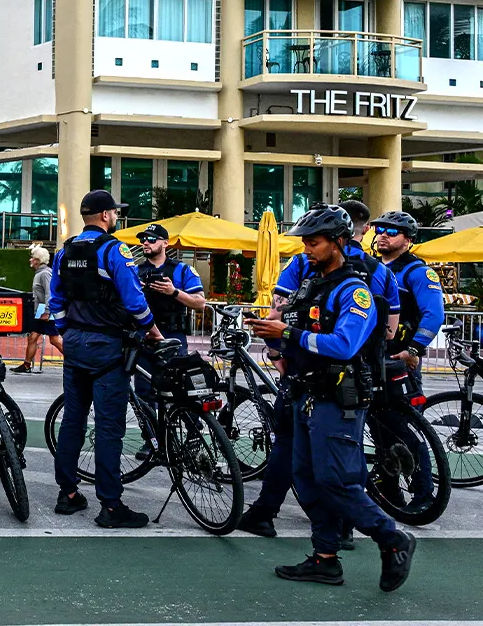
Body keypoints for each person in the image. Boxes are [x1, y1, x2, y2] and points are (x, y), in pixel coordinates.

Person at [246, 204, 416, 591]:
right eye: (305, 242)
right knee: (306, 478)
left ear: (338, 242)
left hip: (337, 399)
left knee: (336, 481)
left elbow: (343, 345)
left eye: (314, 242)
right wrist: (274, 337)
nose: (307, 249)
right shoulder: (312, 284)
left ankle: (392, 539)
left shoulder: (354, 290)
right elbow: (296, 330)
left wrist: (286, 334)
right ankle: (325, 559)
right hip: (304, 392)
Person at [49, 190, 162, 529]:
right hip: (107, 346)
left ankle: (68, 493)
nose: (116, 216)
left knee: (73, 421)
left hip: (75, 343)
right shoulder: (114, 250)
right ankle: (111, 506)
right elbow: (135, 301)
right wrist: (153, 332)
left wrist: (67, 333)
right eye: (114, 212)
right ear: (104, 215)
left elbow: (56, 301)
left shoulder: (64, 252)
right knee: (109, 427)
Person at [371, 210, 444, 512]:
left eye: (392, 231)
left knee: (406, 430)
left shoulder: (418, 272)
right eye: (380, 230)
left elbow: (434, 314)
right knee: (379, 430)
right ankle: (391, 494)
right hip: (374, 360)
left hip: (401, 362)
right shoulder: (373, 267)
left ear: (409, 240)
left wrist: (414, 349)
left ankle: (423, 496)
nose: (383, 235)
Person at [133, 224, 206, 409]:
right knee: (143, 394)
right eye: (143, 239)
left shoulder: (182, 270)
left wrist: (173, 292)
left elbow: (200, 302)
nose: (145, 243)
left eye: (151, 239)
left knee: (179, 392)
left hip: (173, 337)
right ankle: (151, 428)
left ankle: (183, 426)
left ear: (165, 243)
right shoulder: (134, 271)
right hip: (144, 338)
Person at [12, 245, 62, 374]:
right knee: (33, 337)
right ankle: (26, 365)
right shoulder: (41, 273)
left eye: (32, 258)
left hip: (45, 312)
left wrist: (47, 311)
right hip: (41, 312)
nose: (30, 260)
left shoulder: (44, 274)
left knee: (54, 339)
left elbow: (49, 293)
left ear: (38, 260)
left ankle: (76, 361)